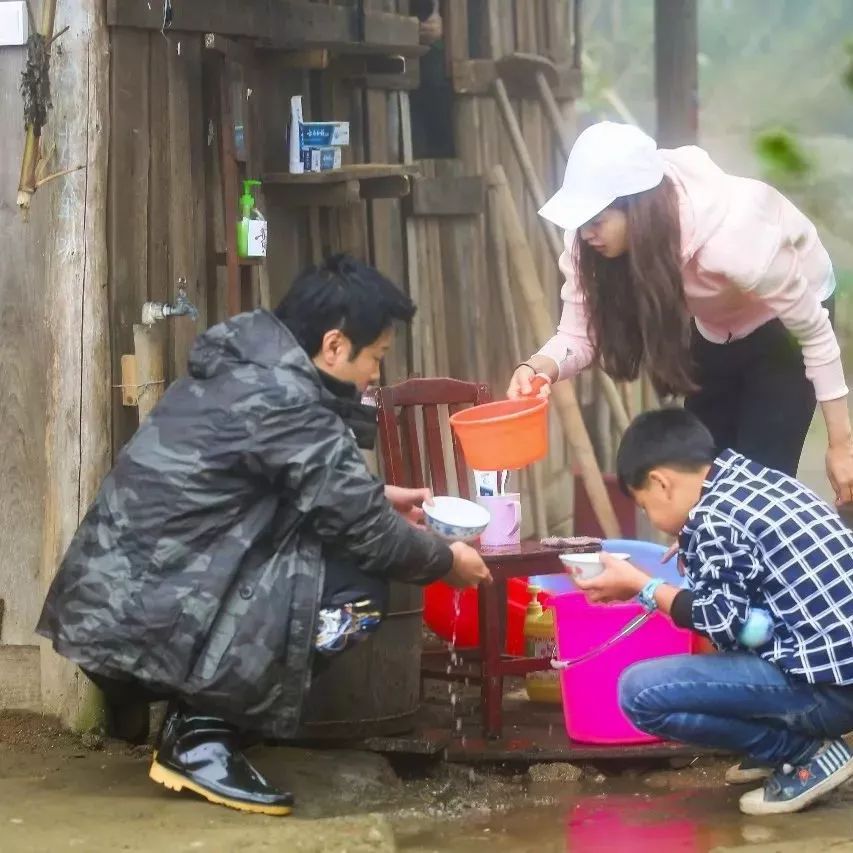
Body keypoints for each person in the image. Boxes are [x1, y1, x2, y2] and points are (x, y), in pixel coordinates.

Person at [37, 254, 492, 817]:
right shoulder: (288, 399)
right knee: (362, 586)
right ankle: (202, 733)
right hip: (140, 617)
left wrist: (377, 495)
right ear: (333, 345)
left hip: (118, 605)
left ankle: (197, 713)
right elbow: (367, 534)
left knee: (330, 547)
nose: (375, 375)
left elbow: (297, 488)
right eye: (375, 357)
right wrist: (446, 561)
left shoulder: (251, 367)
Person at [507, 121, 853, 506]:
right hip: (712, 325)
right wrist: (538, 368)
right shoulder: (587, 243)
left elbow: (813, 333)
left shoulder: (735, 239)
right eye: (582, 220)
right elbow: (577, 335)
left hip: (782, 327)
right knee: (698, 485)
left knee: (760, 491)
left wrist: (841, 446)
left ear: (639, 210)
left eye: (597, 220)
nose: (587, 232)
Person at [570, 408, 853, 816]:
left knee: (639, 693)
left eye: (646, 507)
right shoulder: (751, 480)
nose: (652, 520)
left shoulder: (715, 520)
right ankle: (787, 744)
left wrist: (641, 586)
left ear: (661, 483)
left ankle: (803, 753)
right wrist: (693, 552)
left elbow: (720, 622)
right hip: (839, 674)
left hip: (829, 693)